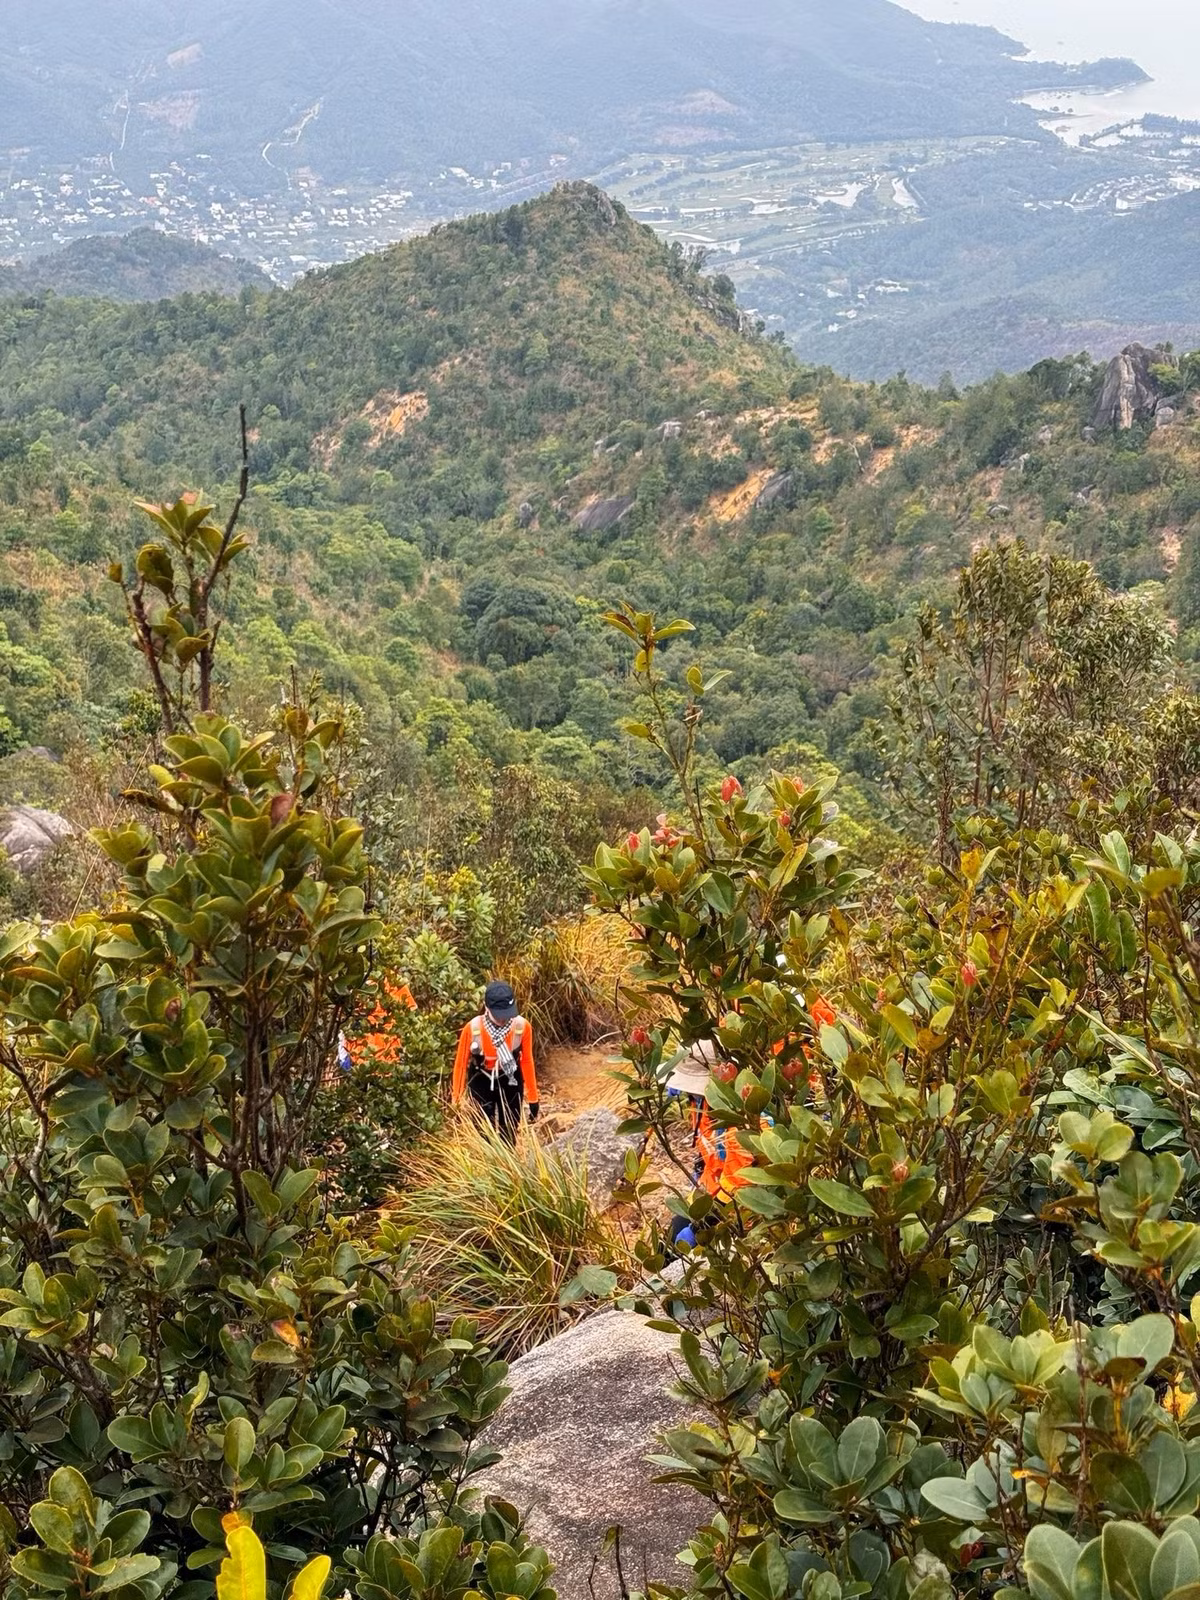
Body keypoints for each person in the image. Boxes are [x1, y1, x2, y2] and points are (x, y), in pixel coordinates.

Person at [665, 1040, 764, 1250]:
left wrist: (698, 1228)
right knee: (671, 1236)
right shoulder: (700, 1103)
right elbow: (706, 1145)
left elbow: (738, 1184)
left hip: (738, 1210)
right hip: (711, 1190)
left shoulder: (741, 1122)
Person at [452, 980, 539, 1139]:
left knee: (510, 1130)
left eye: (507, 1014)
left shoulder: (522, 1027)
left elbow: (527, 1061)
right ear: (486, 1007)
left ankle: (507, 1162)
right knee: (483, 1132)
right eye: (499, 1015)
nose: (503, 1020)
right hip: (481, 1079)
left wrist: (533, 1098)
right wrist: (456, 1100)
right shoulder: (472, 1029)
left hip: (511, 1079)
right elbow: (460, 1065)